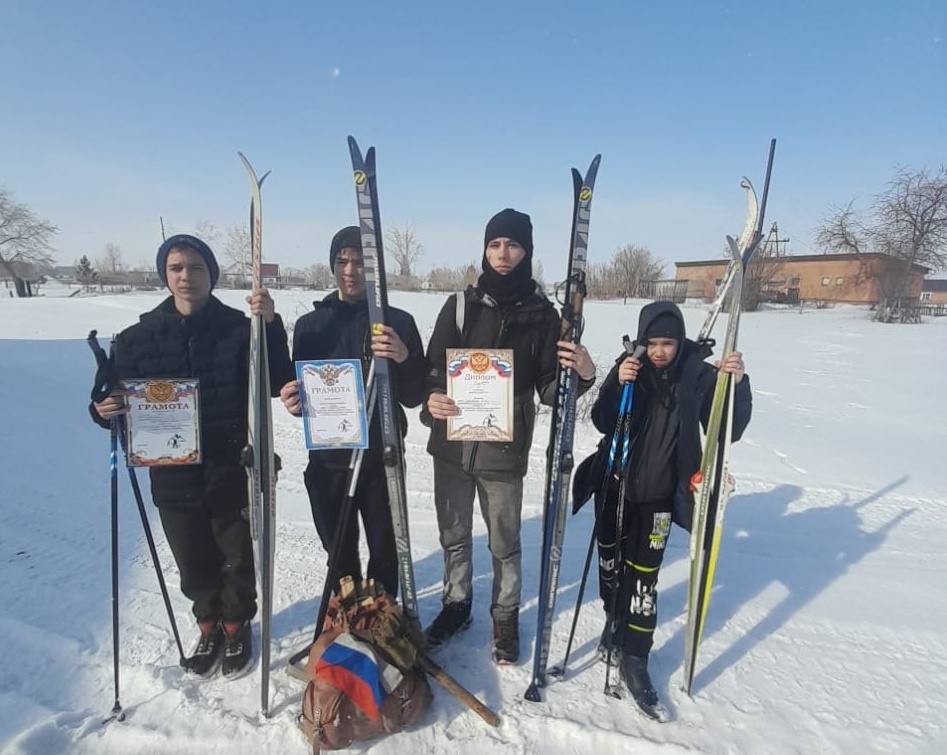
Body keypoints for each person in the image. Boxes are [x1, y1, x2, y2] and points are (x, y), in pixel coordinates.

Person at [90, 234, 292, 679]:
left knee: (235, 556)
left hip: (230, 465)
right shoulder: (137, 337)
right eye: (177, 268)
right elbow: (113, 398)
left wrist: (271, 324)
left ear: (211, 274)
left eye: (196, 267)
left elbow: (279, 379)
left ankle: (237, 626)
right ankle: (209, 625)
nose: (186, 276)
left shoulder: (242, 330)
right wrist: (104, 409)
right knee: (192, 558)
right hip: (172, 472)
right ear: (166, 274)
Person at [422, 208, 597, 664]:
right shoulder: (461, 305)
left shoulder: (542, 315)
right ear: (485, 248)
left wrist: (581, 374)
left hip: (503, 449)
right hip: (451, 445)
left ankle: (505, 614)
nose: (503, 253)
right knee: (454, 534)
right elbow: (433, 366)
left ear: (527, 251)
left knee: (504, 541)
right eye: (495, 244)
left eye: (513, 245)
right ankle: (456, 604)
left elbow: (549, 389)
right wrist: (432, 397)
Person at [590, 300, 752, 720]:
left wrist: (738, 383)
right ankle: (613, 621)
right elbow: (602, 419)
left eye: (669, 343)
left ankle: (636, 658)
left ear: (680, 343)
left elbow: (728, 430)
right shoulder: (631, 366)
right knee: (612, 567)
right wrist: (616, 383)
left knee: (644, 579)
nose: (660, 350)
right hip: (615, 488)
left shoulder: (697, 376)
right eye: (653, 342)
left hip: (661, 496)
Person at [279, 226, 425, 599]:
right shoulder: (312, 326)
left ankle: (381, 619)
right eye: (342, 261)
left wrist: (403, 357)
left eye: (360, 262)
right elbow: (307, 390)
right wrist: (297, 404)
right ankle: (345, 614)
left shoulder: (399, 322)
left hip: (381, 458)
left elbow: (414, 395)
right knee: (339, 551)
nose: (350, 270)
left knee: (385, 552)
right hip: (329, 459)